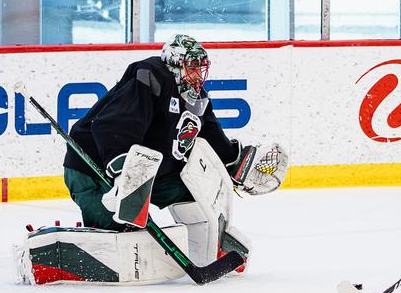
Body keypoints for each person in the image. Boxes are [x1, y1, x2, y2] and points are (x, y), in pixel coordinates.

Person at [63, 33, 287, 261]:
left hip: (146, 172)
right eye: (192, 67)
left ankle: (210, 247)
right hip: (92, 168)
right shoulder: (150, 79)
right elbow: (112, 126)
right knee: (116, 233)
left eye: (201, 68)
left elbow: (209, 132)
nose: (197, 75)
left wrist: (234, 159)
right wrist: (124, 172)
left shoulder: (195, 97)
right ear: (175, 65)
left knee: (193, 193)